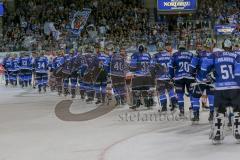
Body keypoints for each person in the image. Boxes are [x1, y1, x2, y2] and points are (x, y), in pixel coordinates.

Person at [201, 39, 240, 143]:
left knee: (220, 111)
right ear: (231, 47)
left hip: (220, 89)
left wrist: (203, 77)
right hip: (234, 88)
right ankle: (238, 133)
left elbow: (205, 65)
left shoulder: (216, 55)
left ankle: (218, 134)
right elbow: (238, 72)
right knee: (237, 110)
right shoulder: (236, 55)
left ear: (222, 46)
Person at [190, 39, 215, 123]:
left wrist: (193, 74)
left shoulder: (198, 54)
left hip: (200, 80)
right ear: (212, 46)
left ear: (204, 46)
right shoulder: (215, 55)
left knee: (195, 97)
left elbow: (192, 67)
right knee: (211, 97)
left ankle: (196, 115)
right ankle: (212, 115)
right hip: (211, 80)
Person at [169, 40, 195, 117]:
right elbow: (194, 65)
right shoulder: (191, 54)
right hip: (189, 76)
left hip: (179, 77)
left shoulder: (175, 55)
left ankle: (182, 110)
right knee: (191, 93)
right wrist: (194, 75)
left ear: (178, 47)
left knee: (180, 94)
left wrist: (172, 76)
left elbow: (170, 67)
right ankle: (194, 107)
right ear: (185, 46)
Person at [151, 42, 178, 113]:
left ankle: (164, 107)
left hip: (160, 77)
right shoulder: (169, 55)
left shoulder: (155, 56)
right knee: (171, 91)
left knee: (162, 92)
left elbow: (152, 67)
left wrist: (153, 77)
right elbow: (174, 65)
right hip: (169, 77)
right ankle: (174, 105)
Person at [129, 44, 154, 109]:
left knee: (135, 89)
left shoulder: (135, 55)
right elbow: (151, 65)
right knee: (145, 90)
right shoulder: (148, 55)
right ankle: (147, 104)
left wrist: (130, 68)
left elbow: (132, 66)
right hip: (147, 76)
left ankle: (136, 103)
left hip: (138, 75)